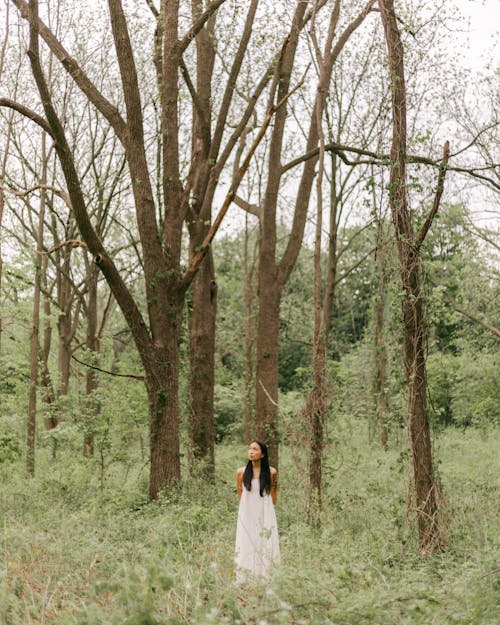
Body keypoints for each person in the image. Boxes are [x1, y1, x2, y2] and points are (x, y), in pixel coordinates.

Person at [234, 440, 280, 581]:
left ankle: (265, 573)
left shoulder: (271, 472)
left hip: (265, 511)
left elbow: (273, 494)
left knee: (264, 538)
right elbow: (240, 494)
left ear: (262, 454)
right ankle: (246, 573)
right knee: (246, 538)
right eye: (250, 449)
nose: (251, 452)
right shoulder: (241, 472)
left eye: (255, 449)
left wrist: (266, 510)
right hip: (247, 512)